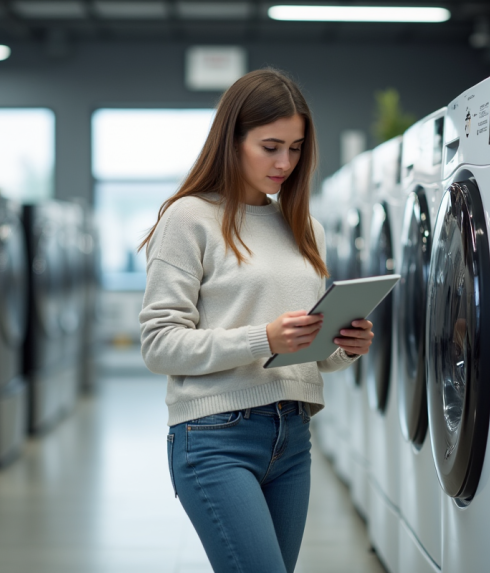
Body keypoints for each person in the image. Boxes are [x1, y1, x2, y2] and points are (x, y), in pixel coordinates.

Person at [138, 68, 373, 573]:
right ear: (233, 139)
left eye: (295, 147)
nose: (285, 162)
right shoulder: (189, 218)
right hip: (215, 435)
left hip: (294, 434)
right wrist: (260, 338)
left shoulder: (304, 226)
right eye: (270, 146)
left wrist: (344, 345)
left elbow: (309, 356)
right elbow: (159, 344)